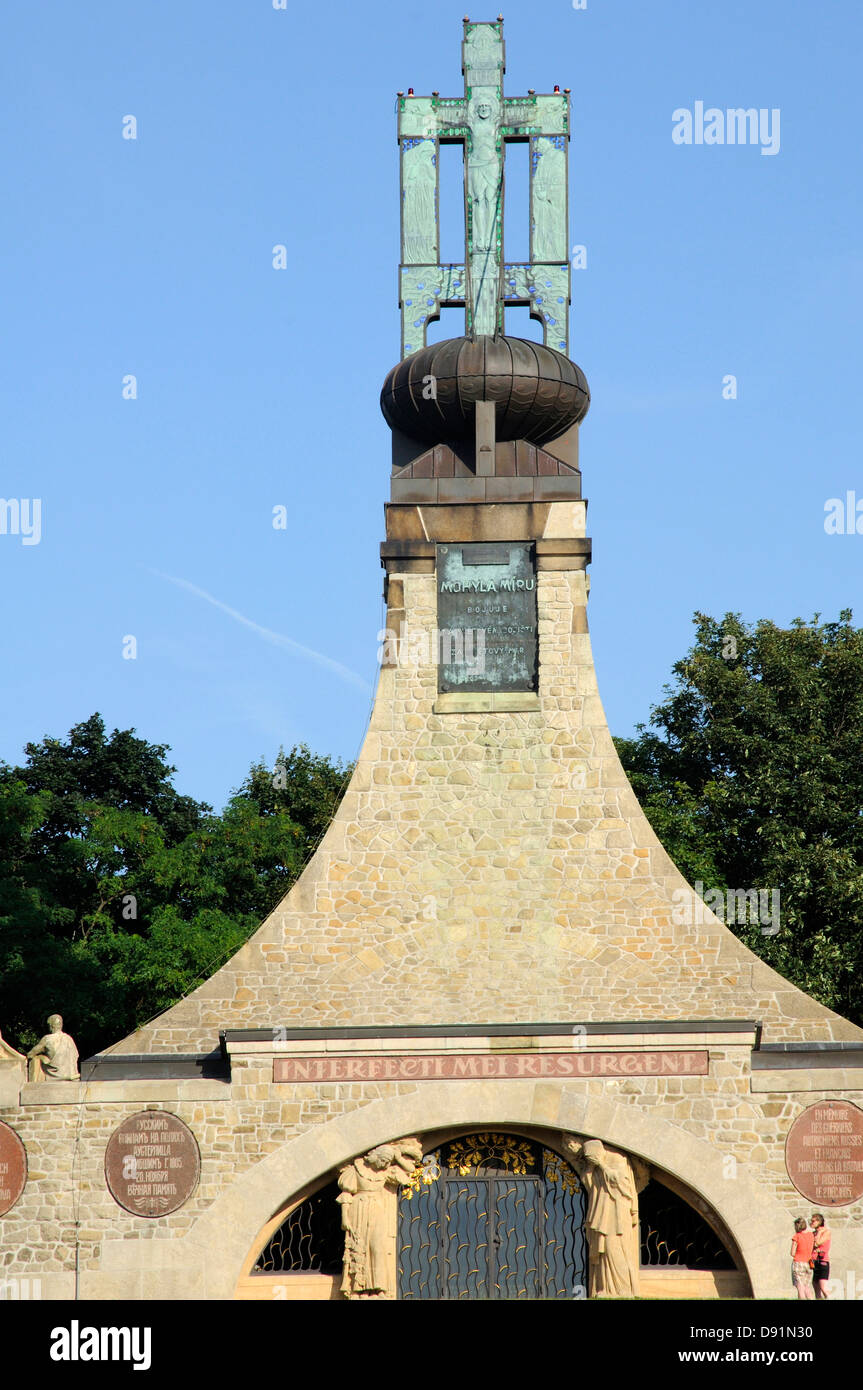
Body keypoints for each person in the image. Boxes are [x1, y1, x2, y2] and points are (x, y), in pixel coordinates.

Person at [27, 1014, 78, 1081]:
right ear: (61, 1025)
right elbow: (76, 1056)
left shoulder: (47, 1039)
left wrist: (41, 1057)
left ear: (51, 1026)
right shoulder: (69, 1039)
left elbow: (30, 1055)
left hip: (55, 1077)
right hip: (72, 1075)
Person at [790, 1216, 815, 1299]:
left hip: (798, 1263)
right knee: (807, 1287)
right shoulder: (811, 1235)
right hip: (809, 1263)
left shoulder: (796, 1236)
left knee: (800, 1288)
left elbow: (792, 1253)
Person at [810, 1213, 832, 1299]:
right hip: (814, 1260)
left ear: (819, 1221)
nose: (811, 1223)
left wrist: (818, 1233)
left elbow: (817, 1243)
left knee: (823, 1287)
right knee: (815, 1286)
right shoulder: (814, 1233)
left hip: (822, 1261)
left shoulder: (826, 1232)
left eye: (813, 1221)